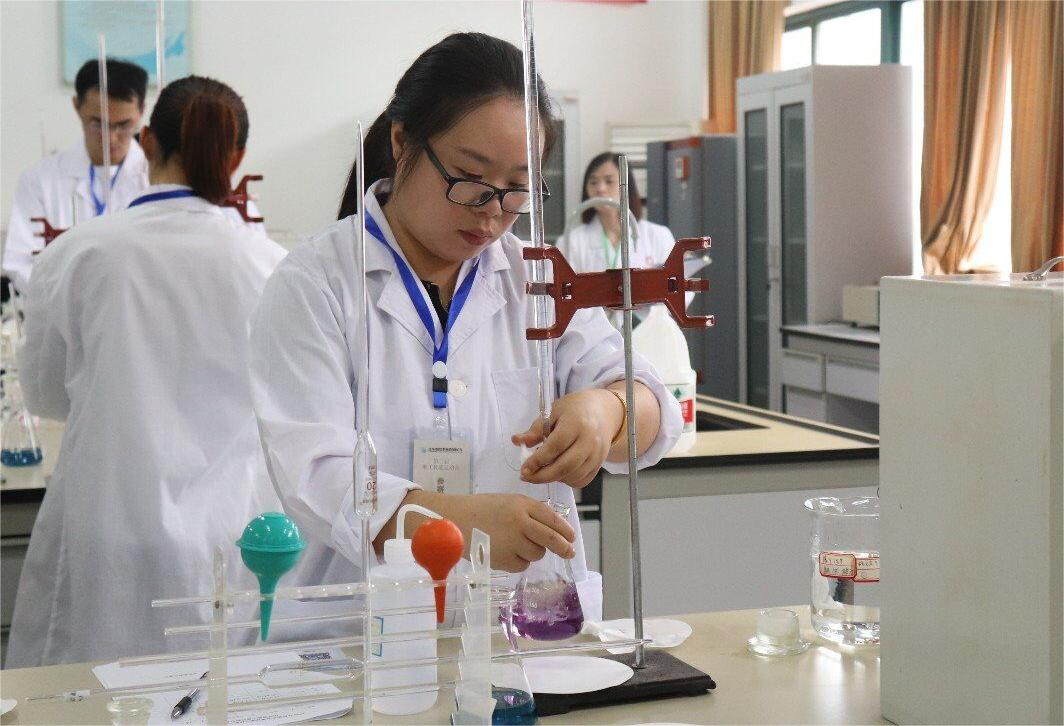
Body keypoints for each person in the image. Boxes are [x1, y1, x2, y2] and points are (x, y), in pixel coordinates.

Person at [250, 32, 681, 629]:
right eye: (471, 179)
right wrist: (457, 524)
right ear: (402, 141)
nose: (493, 212)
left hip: (522, 635)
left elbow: (654, 405)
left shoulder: (536, 278)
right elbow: (315, 472)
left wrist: (607, 412)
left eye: (518, 189)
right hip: (364, 636)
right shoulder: (317, 283)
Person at [7, 76, 287, 666]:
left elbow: (44, 395)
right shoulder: (272, 267)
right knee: (217, 689)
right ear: (237, 159)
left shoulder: (78, 253)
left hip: (104, 524)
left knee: (87, 695)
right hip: (230, 532)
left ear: (148, 142)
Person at [2, 59, 150, 292]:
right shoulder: (40, 181)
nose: (110, 138)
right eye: (97, 123)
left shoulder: (155, 179)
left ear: (141, 111)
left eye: (123, 125)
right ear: (76, 106)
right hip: (60, 311)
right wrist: (73, 303)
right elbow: (20, 264)